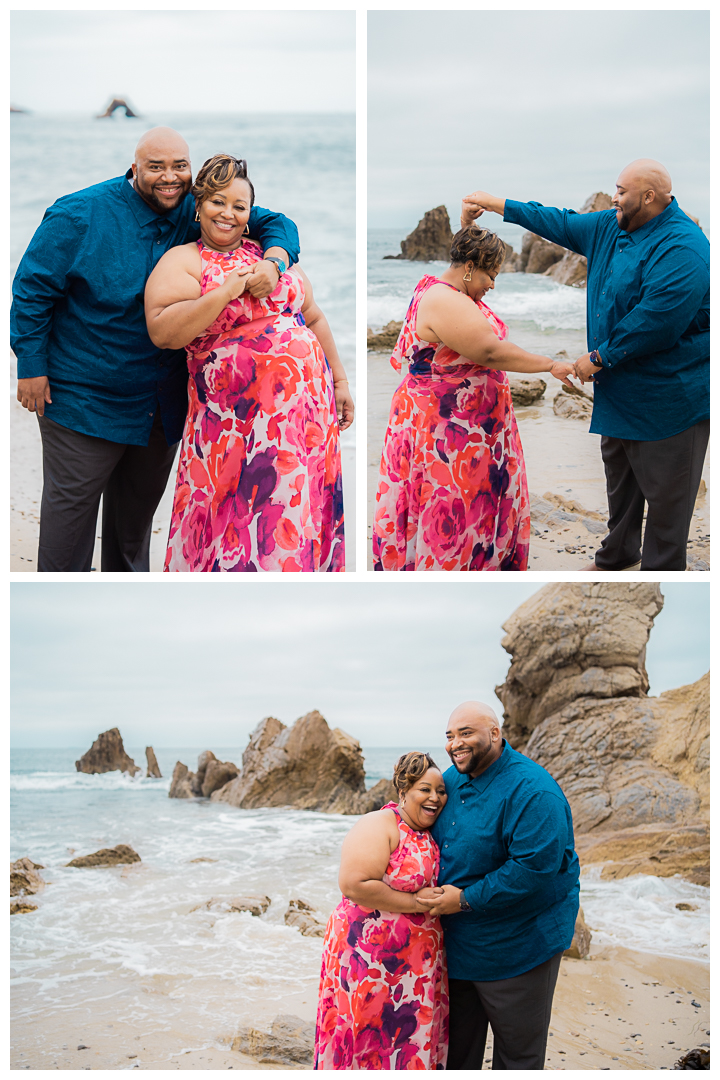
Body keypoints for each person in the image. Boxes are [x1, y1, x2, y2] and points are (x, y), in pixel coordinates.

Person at [11, 126, 298, 572]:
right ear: (133, 168)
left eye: (179, 167)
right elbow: (32, 291)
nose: (169, 177)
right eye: (156, 167)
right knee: (67, 541)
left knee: (131, 541)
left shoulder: (197, 209)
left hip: (160, 407)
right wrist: (31, 365)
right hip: (83, 399)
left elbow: (273, 222)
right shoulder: (79, 214)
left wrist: (275, 261)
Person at [461, 159, 710, 571]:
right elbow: (557, 222)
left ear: (649, 197)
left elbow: (657, 321)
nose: (614, 197)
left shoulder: (684, 246)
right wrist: (495, 204)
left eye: (621, 190)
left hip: (671, 397)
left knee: (668, 501)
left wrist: (597, 358)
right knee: (621, 485)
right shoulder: (610, 226)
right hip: (619, 393)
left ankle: (662, 569)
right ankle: (618, 556)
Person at [145, 154, 352, 572]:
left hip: (303, 422)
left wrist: (341, 382)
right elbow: (163, 331)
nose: (229, 214)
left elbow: (312, 316)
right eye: (219, 202)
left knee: (293, 507)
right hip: (233, 423)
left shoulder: (270, 255)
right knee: (232, 512)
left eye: (239, 207)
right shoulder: (185, 260)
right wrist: (225, 292)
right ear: (198, 205)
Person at [372, 225, 576, 571]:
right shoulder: (443, 299)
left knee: (469, 505)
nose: (493, 284)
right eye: (491, 275)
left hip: (467, 429)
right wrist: (551, 365)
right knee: (451, 507)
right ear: (469, 267)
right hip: (446, 433)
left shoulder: (452, 293)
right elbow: (489, 351)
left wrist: (467, 219)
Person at [418, 702, 580, 1070]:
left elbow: (534, 869)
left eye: (466, 733)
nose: (455, 744)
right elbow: (419, 821)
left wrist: (464, 899)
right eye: (449, 736)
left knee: (517, 1056)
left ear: (495, 734)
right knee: (456, 1053)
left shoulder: (534, 791)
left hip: (519, 948)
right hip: (457, 948)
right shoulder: (452, 779)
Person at [314, 752, 449, 1069]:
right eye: (424, 789)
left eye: (441, 791)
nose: (434, 798)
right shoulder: (381, 824)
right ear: (403, 791)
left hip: (414, 967)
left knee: (407, 1042)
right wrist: (416, 903)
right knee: (368, 1039)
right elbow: (354, 884)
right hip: (368, 959)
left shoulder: (428, 833)